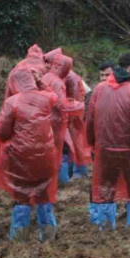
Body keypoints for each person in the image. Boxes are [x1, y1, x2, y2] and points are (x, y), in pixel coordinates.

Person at [0, 68, 83, 241]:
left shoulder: (12, 102)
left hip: (21, 159)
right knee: (43, 194)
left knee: (22, 196)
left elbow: (2, 132)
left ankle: (20, 238)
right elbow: (55, 98)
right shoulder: (44, 99)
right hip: (45, 157)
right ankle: (48, 234)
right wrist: (40, 81)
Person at [86, 53, 130, 230]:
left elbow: (91, 119)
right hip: (129, 149)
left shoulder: (99, 90)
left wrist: (91, 142)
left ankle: (106, 224)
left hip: (105, 148)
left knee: (106, 185)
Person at [41, 54, 86, 184]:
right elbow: (61, 104)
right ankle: (63, 181)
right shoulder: (58, 82)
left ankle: (56, 178)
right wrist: (80, 106)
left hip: (45, 120)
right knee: (63, 151)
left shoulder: (45, 77)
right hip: (58, 121)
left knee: (54, 151)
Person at [64, 65, 92, 179]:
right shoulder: (57, 75)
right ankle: (73, 171)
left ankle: (79, 172)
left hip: (78, 110)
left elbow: (86, 95)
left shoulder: (70, 77)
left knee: (77, 141)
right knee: (70, 144)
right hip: (72, 110)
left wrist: (81, 114)